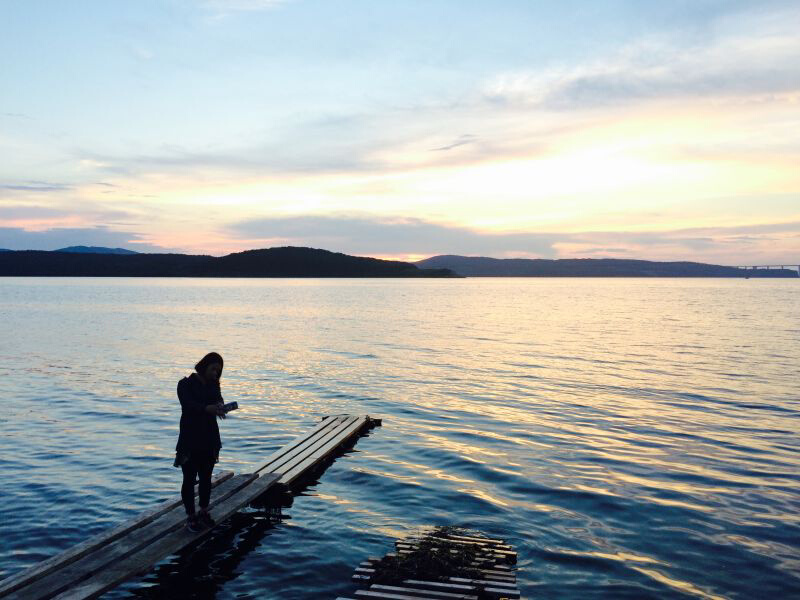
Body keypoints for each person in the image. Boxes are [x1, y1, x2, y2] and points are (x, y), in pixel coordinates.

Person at [175, 352, 227, 532]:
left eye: (218, 371)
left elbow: (218, 399)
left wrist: (220, 406)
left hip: (210, 439)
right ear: (204, 366)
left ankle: (203, 511)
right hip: (190, 440)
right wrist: (207, 408)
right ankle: (191, 516)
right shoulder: (185, 384)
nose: (215, 373)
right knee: (189, 479)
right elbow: (188, 405)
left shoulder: (214, 385)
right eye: (213, 369)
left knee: (206, 478)